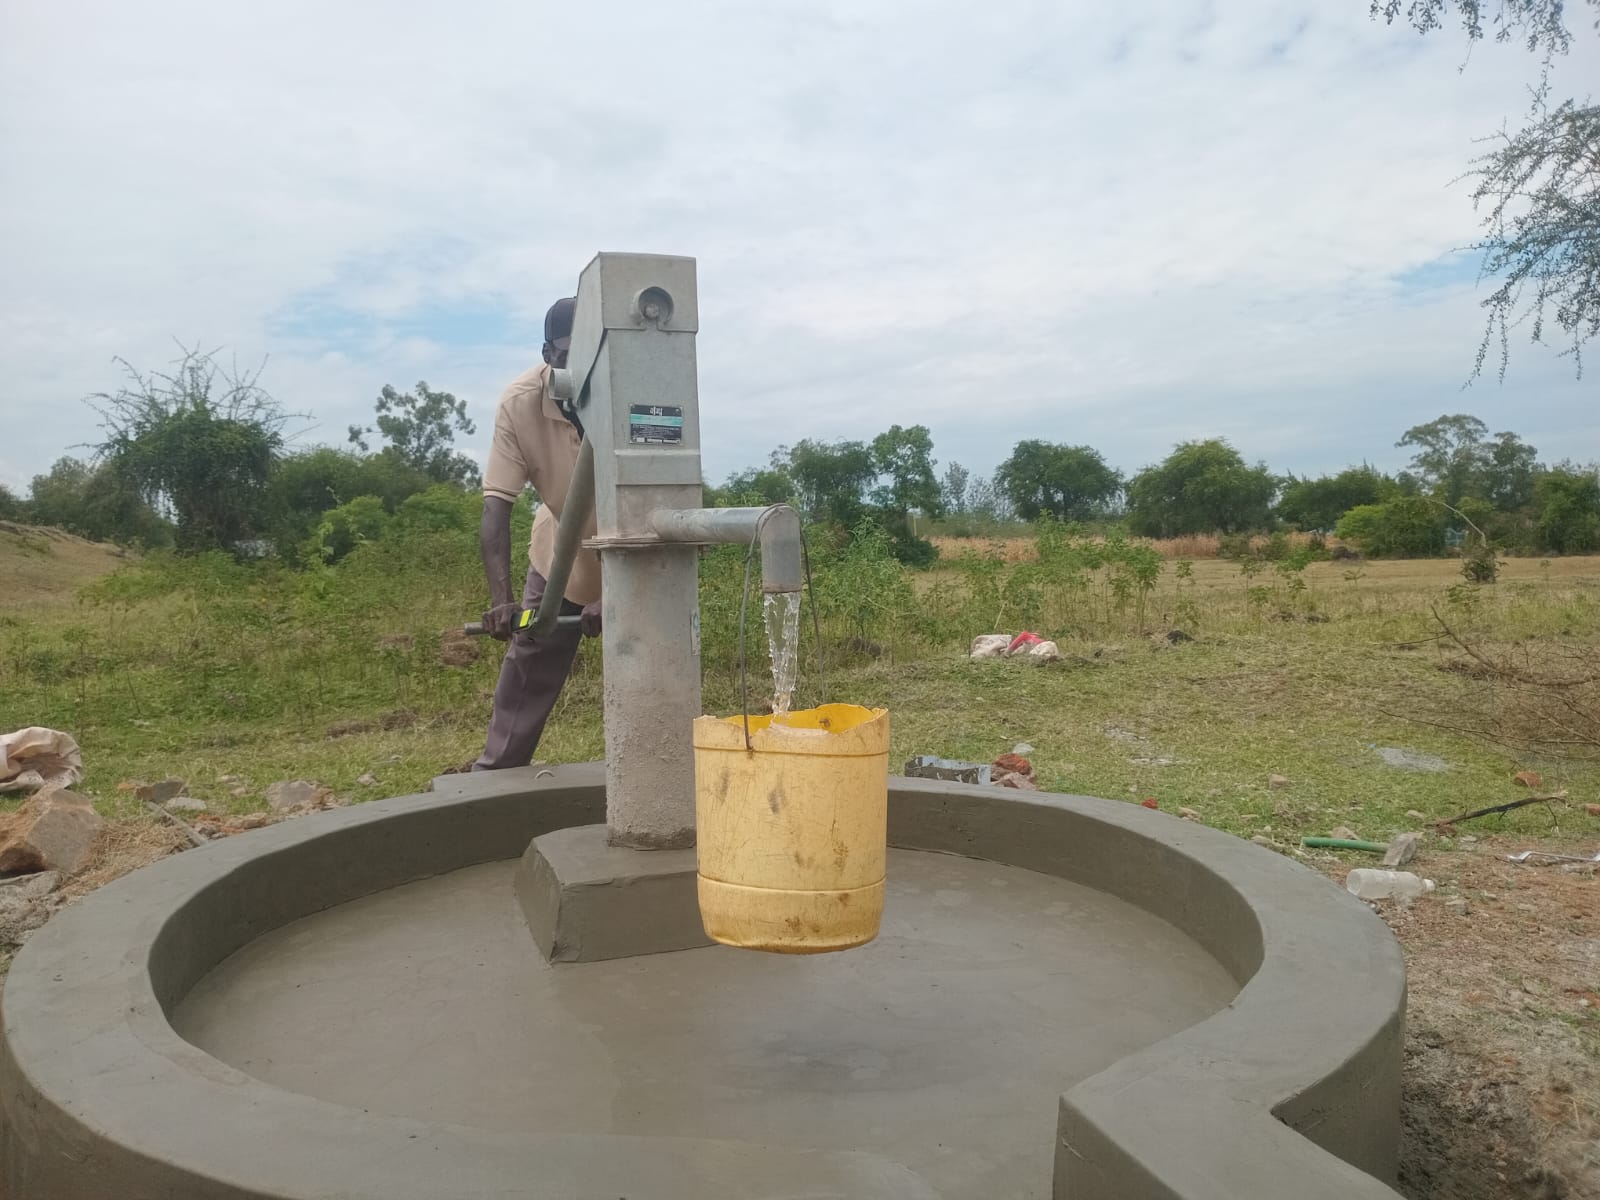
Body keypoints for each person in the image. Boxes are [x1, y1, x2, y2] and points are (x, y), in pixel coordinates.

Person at [473, 297, 601, 771]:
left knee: (654, 663)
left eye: (593, 355)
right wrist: (502, 599)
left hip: (639, 556)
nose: (582, 370)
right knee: (529, 663)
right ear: (548, 354)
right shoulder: (519, 403)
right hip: (561, 558)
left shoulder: (631, 393)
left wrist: (632, 596)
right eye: (569, 357)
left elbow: (659, 497)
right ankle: (494, 778)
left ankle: (668, 778)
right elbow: (496, 507)